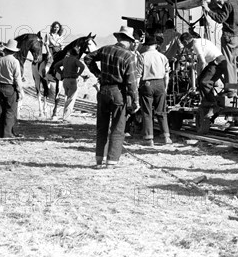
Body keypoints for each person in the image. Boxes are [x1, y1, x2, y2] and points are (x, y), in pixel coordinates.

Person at [84, 26, 138, 169]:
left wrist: (98, 74)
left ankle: (99, 159)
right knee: (117, 128)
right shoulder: (129, 56)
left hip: (103, 91)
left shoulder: (105, 49)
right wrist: (135, 100)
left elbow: (87, 57)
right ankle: (111, 161)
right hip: (118, 92)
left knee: (101, 126)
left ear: (118, 38)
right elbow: (131, 81)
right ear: (129, 41)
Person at [179, 32, 228, 133]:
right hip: (218, 61)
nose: (185, 47)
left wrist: (199, 75)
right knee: (201, 81)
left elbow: (202, 61)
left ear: (185, 41)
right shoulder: (200, 41)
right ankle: (207, 101)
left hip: (217, 62)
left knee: (204, 82)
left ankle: (213, 104)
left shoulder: (195, 44)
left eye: (184, 45)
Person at [202, 0, 238, 90]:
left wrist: (207, 9)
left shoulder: (228, 3)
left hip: (228, 35)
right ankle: (233, 87)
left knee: (228, 63)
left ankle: (229, 88)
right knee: (233, 63)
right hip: (236, 36)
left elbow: (220, 19)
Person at [138, 36, 171, 146]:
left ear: (146, 46)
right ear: (156, 45)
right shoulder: (162, 57)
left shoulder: (142, 56)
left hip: (147, 83)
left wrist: (137, 87)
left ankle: (149, 138)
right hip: (160, 83)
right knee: (161, 111)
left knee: (147, 112)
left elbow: (138, 74)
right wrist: (165, 87)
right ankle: (166, 136)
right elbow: (167, 74)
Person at [0, 39, 23, 138]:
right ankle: (8, 134)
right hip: (10, 87)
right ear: (14, 52)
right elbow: (17, 78)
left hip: (0, 86)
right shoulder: (15, 62)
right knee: (10, 111)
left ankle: (0, 132)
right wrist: (20, 91)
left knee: (1, 110)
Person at [52, 46, 86, 122]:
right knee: (70, 99)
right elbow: (82, 66)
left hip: (65, 80)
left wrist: (61, 73)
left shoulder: (65, 60)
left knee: (67, 98)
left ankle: (65, 115)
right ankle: (66, 118)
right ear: (76, 54)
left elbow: (56, 66)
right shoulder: (75, 60)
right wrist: (78, 74)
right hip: (72, 80)